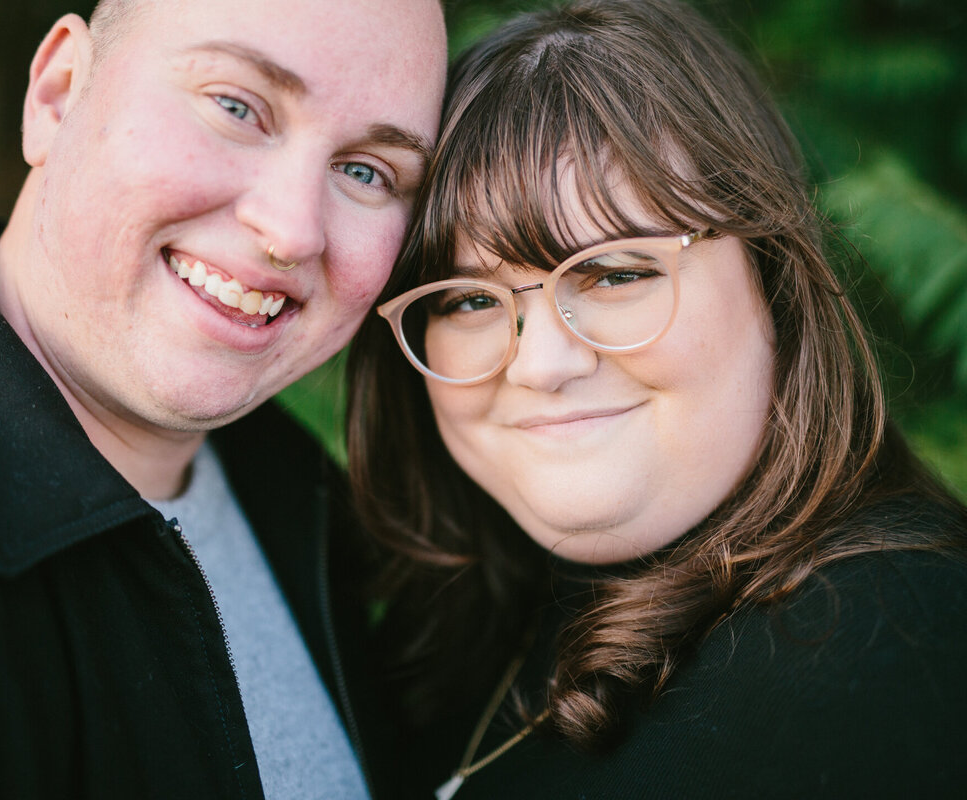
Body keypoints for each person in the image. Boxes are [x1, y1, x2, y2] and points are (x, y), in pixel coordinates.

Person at [0, 0, 445, 797]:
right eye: (237, 107)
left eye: (367, 171)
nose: (294, 230)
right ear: (57, 94)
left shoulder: (313, 503)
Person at [346, 0, 967, 797]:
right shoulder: (437, 637)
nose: (541, 365)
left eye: (616, 273)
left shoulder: (899, 648)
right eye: (468, 299)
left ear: (772, 277)